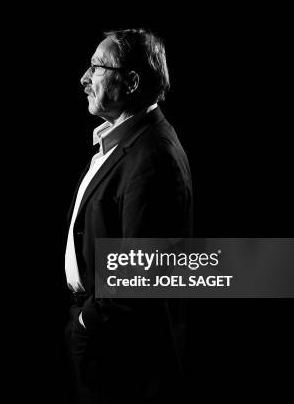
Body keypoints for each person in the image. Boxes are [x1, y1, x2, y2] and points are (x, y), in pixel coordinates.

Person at [64, 28, 193, 403]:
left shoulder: (153, 158)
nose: (84, 79)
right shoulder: (128, 142)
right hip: (105, 344)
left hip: (119, 359)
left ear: (132, 81)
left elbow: (138, 278)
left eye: (97, 68)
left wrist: (87, 322)